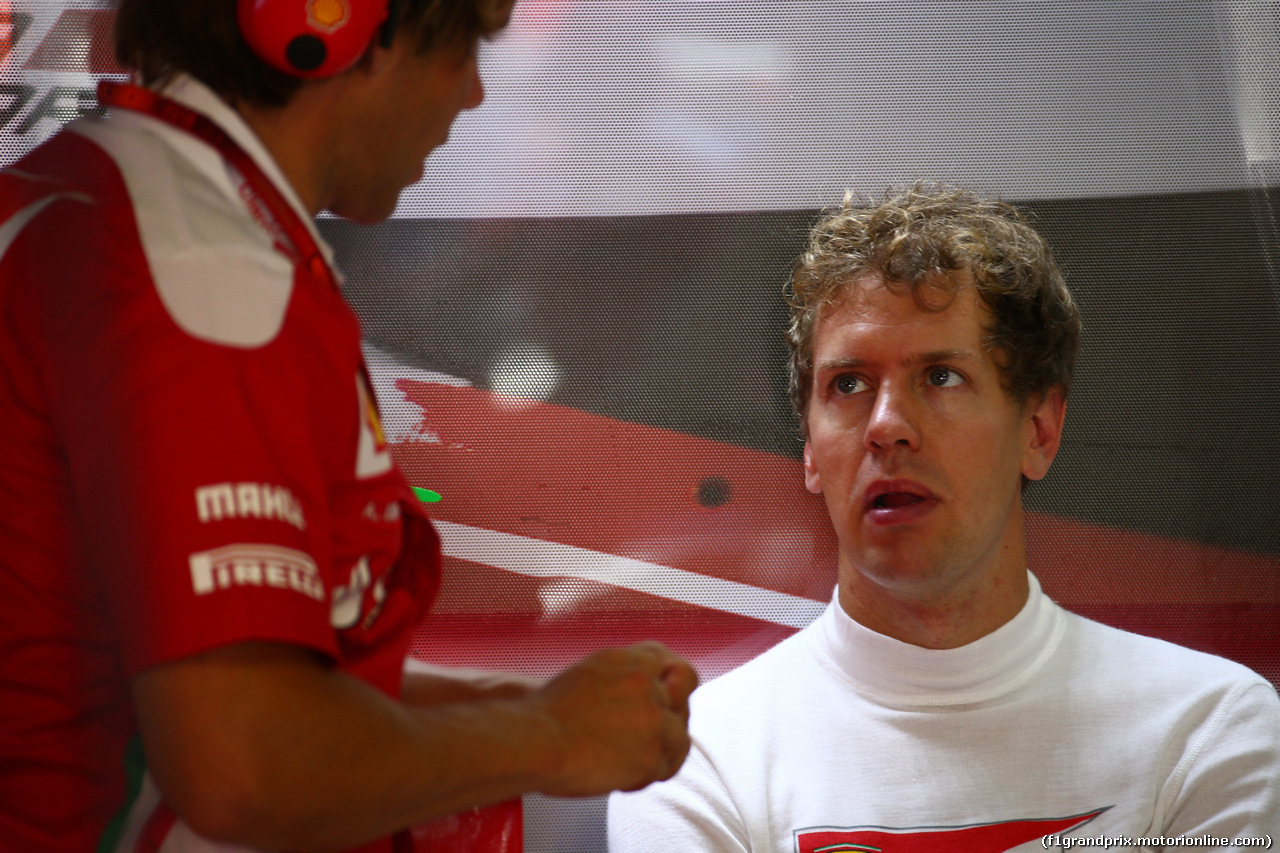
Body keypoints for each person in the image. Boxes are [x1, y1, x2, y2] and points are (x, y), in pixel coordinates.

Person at [0, 2, 697, 851]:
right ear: (332, 24)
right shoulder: (197, 274)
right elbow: (246, 761)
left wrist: (525, 710)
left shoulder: (112, 200)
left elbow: (194, 669)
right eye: (465, 46)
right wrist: (556, 738)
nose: (474, 94)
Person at [608, 184, 1280, 851]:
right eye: (848, 384)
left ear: (1039, 430)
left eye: (940, 377)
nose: (888, 427)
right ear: (810, 450)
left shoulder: (1205, 727)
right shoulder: (697, 756)